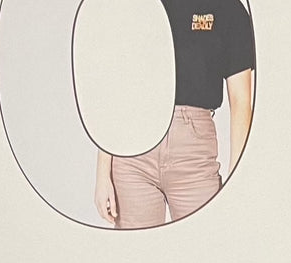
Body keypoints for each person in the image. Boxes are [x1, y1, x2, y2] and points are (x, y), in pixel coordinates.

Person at [95, 0, 254, 230]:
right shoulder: (135, 5)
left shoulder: (227, 7)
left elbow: (241, 101)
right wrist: (102, 173)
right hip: (133, 152)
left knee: (204, 253)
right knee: (137, 258)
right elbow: (116, 87)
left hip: (193, 153)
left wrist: (238, 179)